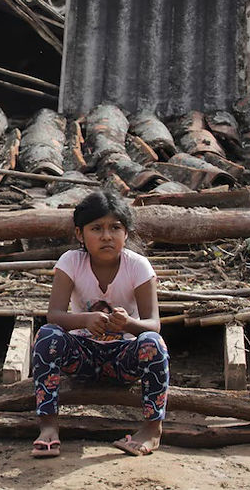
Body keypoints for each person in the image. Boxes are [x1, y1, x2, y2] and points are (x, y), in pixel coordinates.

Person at [31, 190, 169, 458]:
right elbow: (54, 315)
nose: (107, 236)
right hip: (82, 356)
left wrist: (128, 324)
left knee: (153, 343)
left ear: (126, 233)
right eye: (96, 228)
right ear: (80, 234)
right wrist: (85, 319)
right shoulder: (71, 262)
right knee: (47, 336)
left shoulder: (138, 266)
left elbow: (154, 324)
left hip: (123, 359)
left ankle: (152, 430)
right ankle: (48, 426)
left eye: (115, 228)